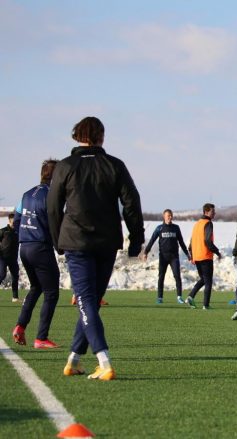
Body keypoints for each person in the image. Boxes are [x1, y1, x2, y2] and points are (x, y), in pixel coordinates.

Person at [49, 116, 144, 381]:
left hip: (76, 241)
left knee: (87, 301)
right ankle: (74, 359)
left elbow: (53, 206)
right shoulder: (114, 165)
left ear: (76, 136)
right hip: (106, 242)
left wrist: (57, 239)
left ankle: (103, 361)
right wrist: (136, 239)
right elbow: (131, 203)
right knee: (90, 302)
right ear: (102, 137)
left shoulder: (66, 166)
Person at [12, 160, 61, 349]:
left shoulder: (26, 194)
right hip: (40, 247)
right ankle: (41, 338)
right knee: (52, 292)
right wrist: (60, 246)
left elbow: (16, 220)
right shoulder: (51, 195)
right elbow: (55, 223)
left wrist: (24, 235)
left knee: (36, 287)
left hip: (24, 247)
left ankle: (20, 326)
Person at [142, 209, 190, 304]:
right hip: (163, 257)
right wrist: (145, 252)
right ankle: (160, 297)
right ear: (164, 217)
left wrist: (187, 254)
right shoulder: (159, 228)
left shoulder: (176, 228)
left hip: (174, 257)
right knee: (161, 277)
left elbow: (181, 242)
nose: (170, 217)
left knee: (177, 276)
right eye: (168, 216)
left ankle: (179, 297)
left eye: (171, 215)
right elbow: (152, 241)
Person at [186, 203, 222, 309]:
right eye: (212, 211)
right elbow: (207, 241)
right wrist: (217, 252)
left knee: (203, 279)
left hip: (197, 257)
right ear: (206, 212)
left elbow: (191, 243)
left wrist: (192, 256)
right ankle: (206, 305)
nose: (214, 213)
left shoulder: (197, 224)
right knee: (208, 281)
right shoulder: (208, 223)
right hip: (205, 256)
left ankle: (190, 297)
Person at [0, 212, 20, 302]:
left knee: (15, 277)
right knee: (2, 275)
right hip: (3, 258)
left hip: (13, 258)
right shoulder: (3, 231)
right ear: (9, 220)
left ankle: (15, 297)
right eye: (13, 221)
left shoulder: (18, 231)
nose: (15, 223)